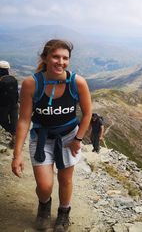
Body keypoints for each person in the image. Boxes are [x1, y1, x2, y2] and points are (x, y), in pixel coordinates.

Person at [11, 39, 92, 232]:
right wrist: (17, 154)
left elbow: (88, 113)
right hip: (41, 138)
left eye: (65, 58)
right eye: (56, 56)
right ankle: (44, 205)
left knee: (65, 179)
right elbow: (24, 120)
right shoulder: (32, 83)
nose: (60, 62)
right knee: (45, 185)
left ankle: (63, 213)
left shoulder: (77, 82)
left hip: (68, 137)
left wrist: (78, 139)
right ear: (45, 58)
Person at [0, 60, 19, 146]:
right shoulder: (13, 78)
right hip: (14, 104)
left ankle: (12, 133)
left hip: (3, 106)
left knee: (3, 121)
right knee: (14, 121)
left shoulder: (1, 80)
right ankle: (15, 137)